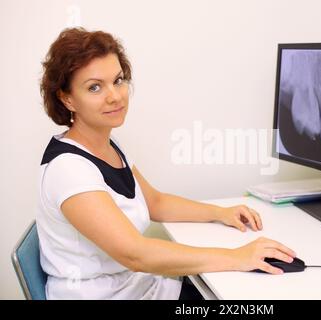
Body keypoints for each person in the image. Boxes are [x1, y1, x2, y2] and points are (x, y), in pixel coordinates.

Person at [37, 27, 296, 300]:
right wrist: (237, 257)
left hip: (141, 288)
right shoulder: (68, 169)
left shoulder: (107, 145)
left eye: (118, 80)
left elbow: (155, 202)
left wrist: (220, 213)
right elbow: (135, 254)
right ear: (67, 98)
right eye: (95, 87)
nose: (114, 95)